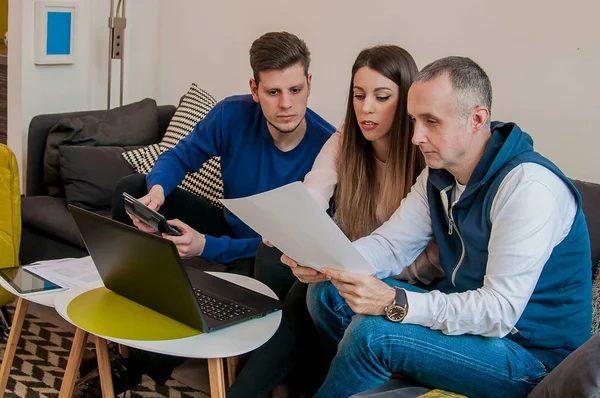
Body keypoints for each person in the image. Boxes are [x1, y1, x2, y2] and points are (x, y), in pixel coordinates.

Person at [284, 56, 592, 397]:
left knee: (374, 333)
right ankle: (370, 384)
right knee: (328, 292)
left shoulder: (528, 188)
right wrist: (327, 261)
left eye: (431, 122)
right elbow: (391, 245)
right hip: (469, 326)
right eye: (414, 120)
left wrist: (395, 300)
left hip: (528, 356)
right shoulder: (439, 174)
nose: (416, 136)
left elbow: (499, 312)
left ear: (476, 119)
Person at [73, 31, 335, 397]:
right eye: (273, 92)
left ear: (309, 84)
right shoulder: (233, 113)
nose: (286, 104)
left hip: (268, 251)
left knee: (268, 255)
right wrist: (157, 192)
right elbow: (179, 156)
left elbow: (292, 244)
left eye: (295, 90)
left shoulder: (327, 148)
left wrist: (207, 246)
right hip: (229, 223)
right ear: (255, 89)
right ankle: (131, 314)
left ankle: (140, 365)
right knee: (129, 189)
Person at [227, 45, 428, 398]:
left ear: (407, 99)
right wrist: (286, 226)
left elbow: (411, 255)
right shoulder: (343, 139)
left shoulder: (422, 159)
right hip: (347, 263)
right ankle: (272, 382)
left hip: (401, 278)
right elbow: (314, 192)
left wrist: (339, 266)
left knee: (310, 293)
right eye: (358, 95)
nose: (366, 108)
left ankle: (255, 387)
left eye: (381, 97)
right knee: (277, 262)